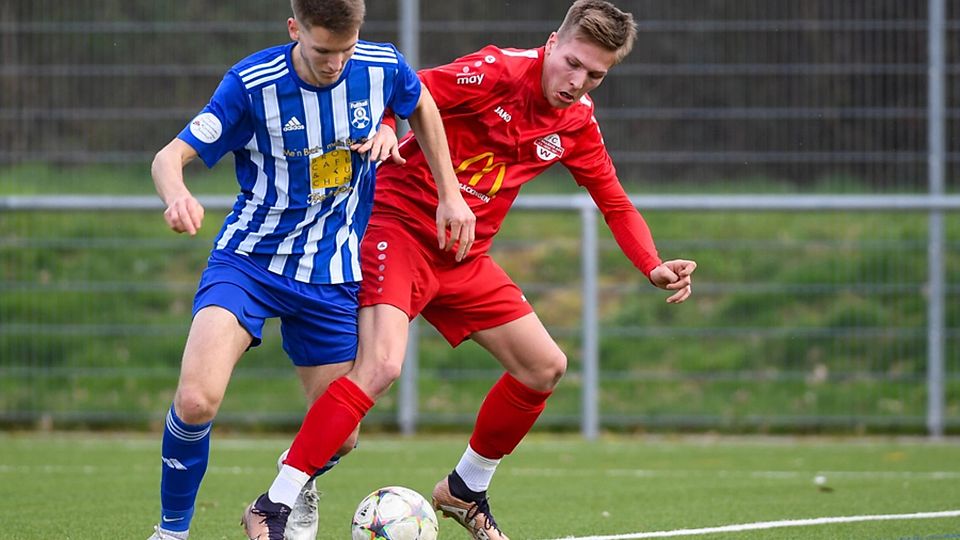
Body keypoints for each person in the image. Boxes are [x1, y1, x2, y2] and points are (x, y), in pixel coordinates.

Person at [247, 1, 697, 539]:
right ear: (552, 42)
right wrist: (388, 126)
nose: (578, 82)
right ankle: (272, 505)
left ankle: (464, 489)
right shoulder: (495, 71)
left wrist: (652, 265)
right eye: (572, 63)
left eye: (595, 74)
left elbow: (615, 202)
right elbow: (404, 90)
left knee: (543, 366)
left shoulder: (576, 123)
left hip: (463, 256)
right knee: (382, 367)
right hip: (399, 229)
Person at [145, 0, 474, 538]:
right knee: (196, 399)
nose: (335, 63)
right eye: (323, 50)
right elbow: (168, 156)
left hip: (331, 273)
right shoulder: (252, 84)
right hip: (249, 262)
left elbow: (424, 107)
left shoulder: (380, 65)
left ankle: (286, 487)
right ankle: (171, 532)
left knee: (341, 436)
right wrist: (176, 194)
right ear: (294, 29)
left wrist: (449, 193)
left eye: (346, 50)